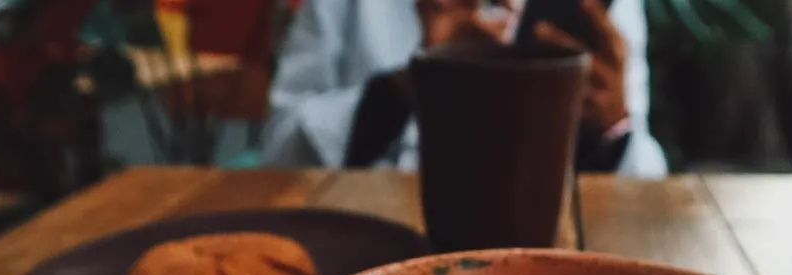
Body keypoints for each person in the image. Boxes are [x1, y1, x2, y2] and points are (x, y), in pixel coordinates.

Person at [260, 0, 667, 177]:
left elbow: (644, 176)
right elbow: (278, 151)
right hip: (369, 245)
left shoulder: (598, 11)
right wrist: (410, 86)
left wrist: (613, 126)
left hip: (546, 247)